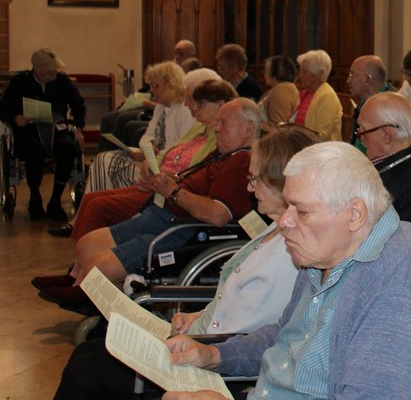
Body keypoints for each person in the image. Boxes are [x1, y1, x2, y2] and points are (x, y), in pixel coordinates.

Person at [161, 142, 411, 400]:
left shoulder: (399, 290)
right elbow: (286, 336)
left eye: (301, 211)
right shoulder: (327, 250)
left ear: (355, 214)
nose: (284, 221)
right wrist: (214, 355)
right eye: (288, 206)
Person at [51, 126, 320, 400]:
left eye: (254, 179)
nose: (249, 188)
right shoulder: (273, 228)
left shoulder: (292, 253)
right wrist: (196, 317)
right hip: (205, 345)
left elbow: (254, 334)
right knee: (88, 352)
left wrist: (198, 340)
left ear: (281, 183)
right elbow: (231, 306)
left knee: (88, 370)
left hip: (219, 371)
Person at [34, 98, 258, 306]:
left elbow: (218, 214)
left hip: (181, 231)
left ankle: (91, 299)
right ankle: (80, 284)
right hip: (162, 216)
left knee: (96, 266)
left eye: (224, 124)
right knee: (86, 244)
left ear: (247, 128)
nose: (216, 128)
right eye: (217, 122)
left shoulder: (240, 163)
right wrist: (166, 182)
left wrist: (173, 191)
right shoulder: (226, 154)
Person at [53, 78, 234, 241]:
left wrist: (161, 174)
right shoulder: (199, 129)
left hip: (169, 193)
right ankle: (80, 267)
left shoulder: (221, 138)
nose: (194, 107)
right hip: (158, 180)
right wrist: (150, 165)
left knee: (97, 205)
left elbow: (197, 175)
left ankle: (84, 269)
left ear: (221, 105)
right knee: (90, 198)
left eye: (200, 103)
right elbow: (167, 151)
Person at [82, 63, 199, 195]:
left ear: (171, 85)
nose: (151, 91)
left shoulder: (184, 110)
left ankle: (98, 204)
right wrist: (147, 148)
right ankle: (97, 204)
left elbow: (183, 149)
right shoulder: (162, 107)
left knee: (105, 164)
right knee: (102, 158)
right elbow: (146, 136)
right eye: (151, 86)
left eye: (156, 86)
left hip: (167, 171)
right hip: (152, 162)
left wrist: (157, 154)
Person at [0, 48, 86, 221]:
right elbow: (3, 108)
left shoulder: (62, 81)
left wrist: (77, 128)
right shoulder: (20, 82)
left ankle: (55, 200)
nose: (55, 71)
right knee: (33, 151)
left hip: (56, 127)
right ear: (38, 68)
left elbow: (78, 105)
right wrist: (15, 118)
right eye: (50, 68)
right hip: (28, 128)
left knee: (68, 148)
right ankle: (35, 197)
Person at [356, 92, 411, 230]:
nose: (360, 137)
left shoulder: (387, 187)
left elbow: (360, 238)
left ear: (387, 135)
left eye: (363, 130)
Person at [292, 49, 343, 141]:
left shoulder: (327, 96)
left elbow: (321, 135)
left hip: (324, 151)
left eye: (304, 72)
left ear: (319, 74)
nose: (300, 76)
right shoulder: (306, 93)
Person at [346, 54, 394, 151]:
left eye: (352, 75)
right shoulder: (363, 102)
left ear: (368, 79)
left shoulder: (391, 108)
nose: (348, 81)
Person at [257, 54, 299, 128]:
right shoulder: (279, 88)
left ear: (276, 72)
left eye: (266, 70)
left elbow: (279, 125)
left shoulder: (282, 90)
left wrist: (257, 126)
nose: (263, 73)